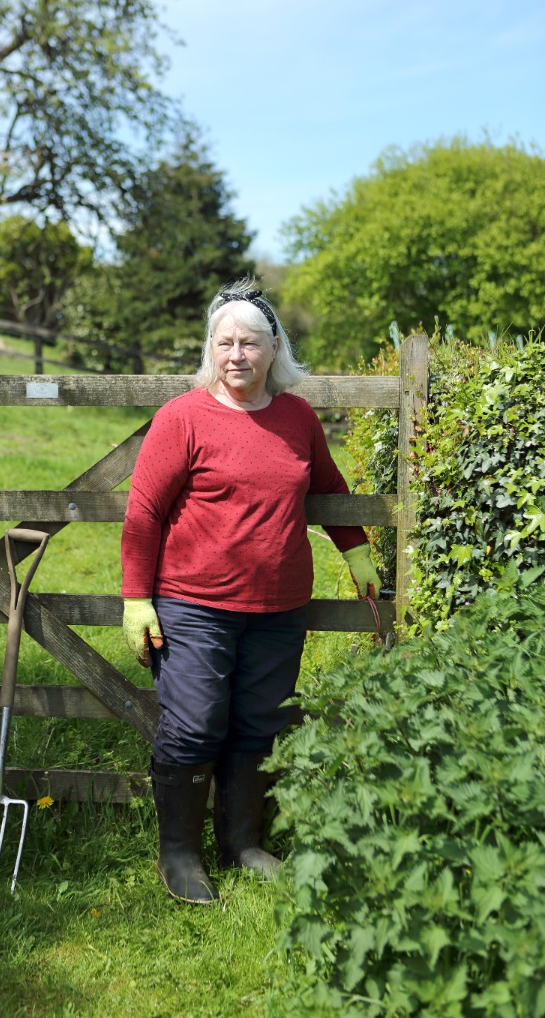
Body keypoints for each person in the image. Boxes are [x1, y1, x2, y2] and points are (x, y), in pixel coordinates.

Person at [120, 280, 381, 904]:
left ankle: (242, 843)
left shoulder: (296, 416)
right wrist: (136, 598)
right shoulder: (182, 417)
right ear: (211, 349)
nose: (237, 354)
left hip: (279, 607)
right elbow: (144, 512)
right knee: (193, 726)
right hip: (192, 604)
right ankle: (180, 855)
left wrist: (358, 550)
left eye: (251, 343)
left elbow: (329, 485)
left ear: (274, 349)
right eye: (225, 342)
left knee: (259, 723)